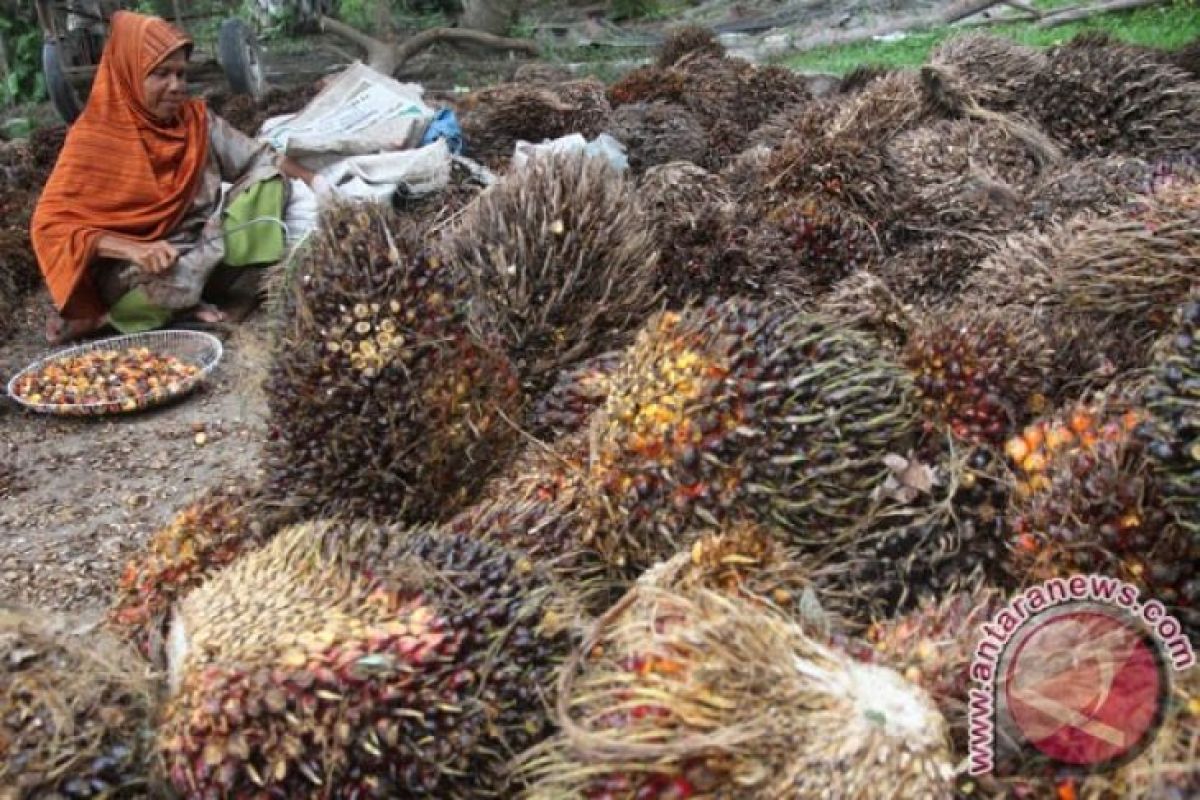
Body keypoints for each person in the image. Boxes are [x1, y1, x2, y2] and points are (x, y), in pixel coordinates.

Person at [32, 10, 325, 344]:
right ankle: (125, 315)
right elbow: (50, 227)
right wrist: (133, 250)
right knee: (154, 281)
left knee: (268, 181)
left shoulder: (196, 121)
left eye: (181, 75)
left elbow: (260, 158)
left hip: (207, 250)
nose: (176, 87)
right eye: (161, 75)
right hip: (142, 270)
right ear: (128, 74)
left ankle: (185, 300)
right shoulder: (94, 140)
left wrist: (316, 182)